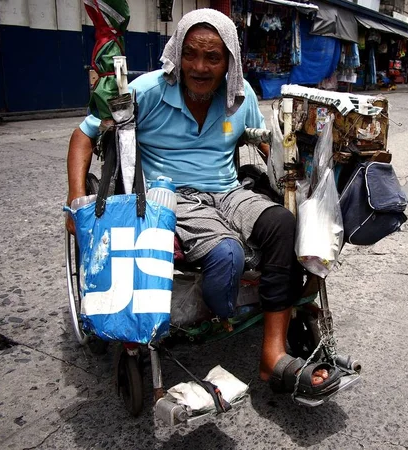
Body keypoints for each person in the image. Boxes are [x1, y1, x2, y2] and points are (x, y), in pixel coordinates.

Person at [66, 9, 340, 396]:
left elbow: (266, 146)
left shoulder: (239, 96)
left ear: (229, 61)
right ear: (177, 53)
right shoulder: (144, 91)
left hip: (228, 191)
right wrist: (77, 197)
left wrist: (296, 164)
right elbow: (83, 135)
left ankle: (272, 354)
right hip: (170, 195)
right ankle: (217, 314)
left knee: (283, 223)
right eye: (191, 54)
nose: (199, 67)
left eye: (213, 58)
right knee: (226, 254)